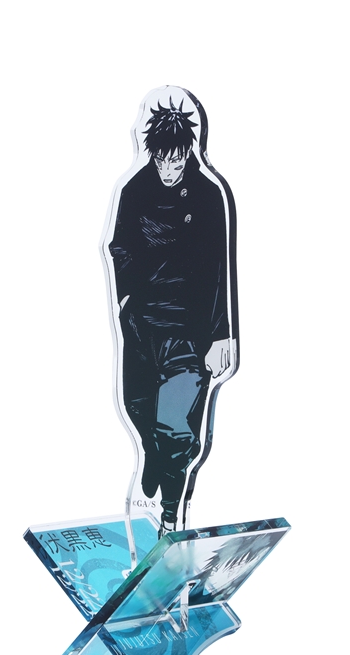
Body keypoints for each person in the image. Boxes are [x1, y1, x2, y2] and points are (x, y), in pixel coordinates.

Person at [106, 92, 236, 536]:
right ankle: (153, 456)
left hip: (189, 333)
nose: (168, 167)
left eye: (176, 158)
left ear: (188, 151)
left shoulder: (207, 194)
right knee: (136, 408)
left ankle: (168, 516)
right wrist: (126, 299)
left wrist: (222, 335)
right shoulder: (134, 190)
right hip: (142, 325)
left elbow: (221, 267)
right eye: (162, 158)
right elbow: (117, 246)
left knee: (176, 426)